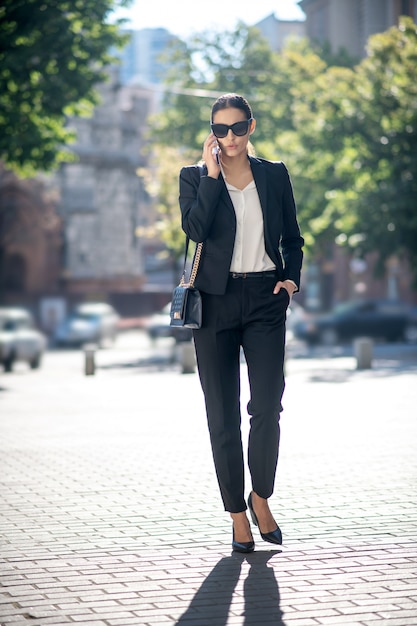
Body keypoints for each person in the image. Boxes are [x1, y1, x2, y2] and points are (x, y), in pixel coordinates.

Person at [179, 93, 304, 552]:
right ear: (212, 132)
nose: (228, 137)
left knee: (267, 407)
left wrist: (290, 280)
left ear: (251, 126)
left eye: (236, 127)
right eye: (219, 129)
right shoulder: (194, 177)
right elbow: (195, 229)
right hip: (214, 303)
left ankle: (261, 496)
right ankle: (237, 513)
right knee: (222, 415)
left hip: (265, 299)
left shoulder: (274, 174)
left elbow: (292, 236)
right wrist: (212, 177)